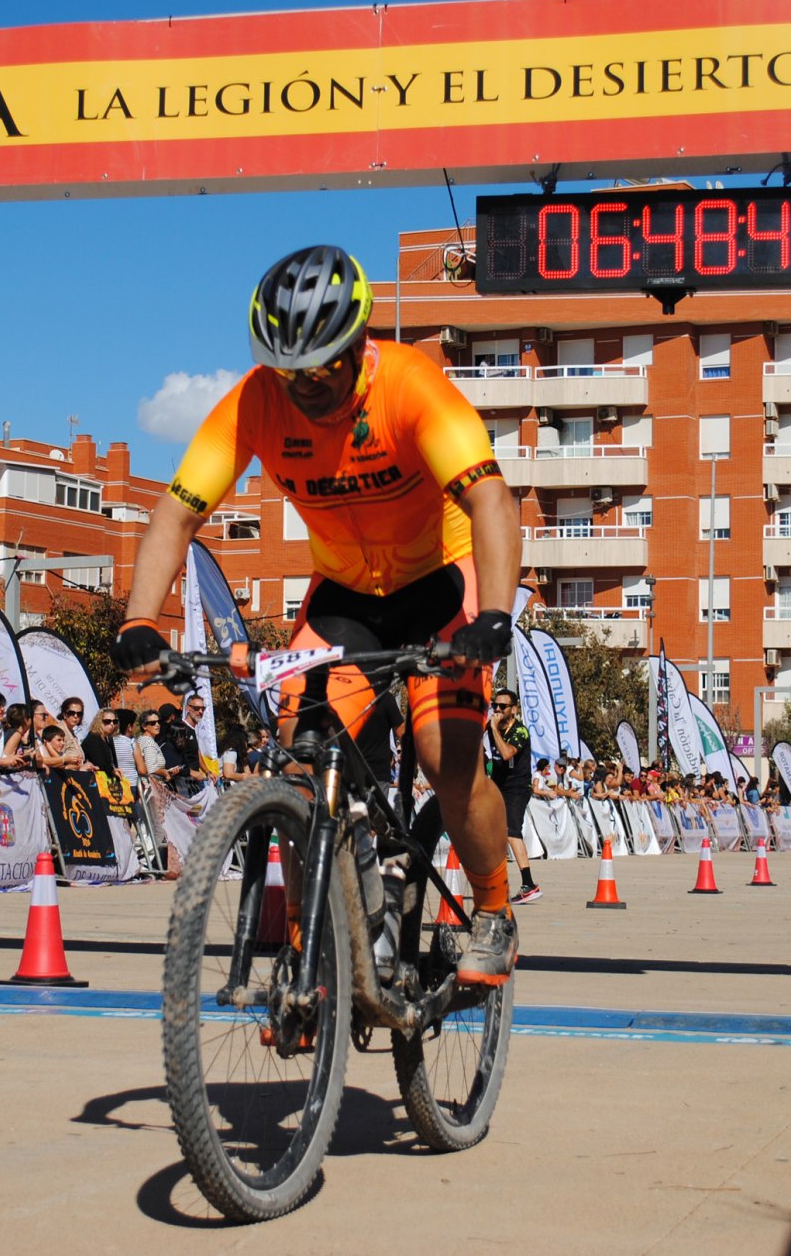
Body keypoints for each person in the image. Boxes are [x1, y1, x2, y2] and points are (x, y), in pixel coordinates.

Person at [112, 246, 522, 987]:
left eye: (323, 367)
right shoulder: (255, 402)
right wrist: (139, 620)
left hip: (440, 581)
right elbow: (176, 513)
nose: (306, 386)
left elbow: (491, 497)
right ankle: (310, 957)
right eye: (288, 370)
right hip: (347, 594)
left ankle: (494, 910)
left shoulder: (410, 385)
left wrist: (493, 614)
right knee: (299, 763)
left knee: (445, 755)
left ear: (358, 342)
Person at [485, 688, 537, 904]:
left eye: (502, 706)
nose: (497, 709)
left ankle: (529, 884)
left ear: (513, 709)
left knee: (512, 830)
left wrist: (493, 728)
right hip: (497, 785)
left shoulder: (520, 731)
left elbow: (506, 753)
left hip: (517, 787)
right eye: (495, 705)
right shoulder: (491, 727)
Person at [82, 707, 120, 774]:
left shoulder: (106, 738)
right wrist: (113, 771)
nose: (112, 724)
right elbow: (100, 764)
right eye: (107, 721)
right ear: (99, 722)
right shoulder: (93, 738)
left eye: (114, 721)